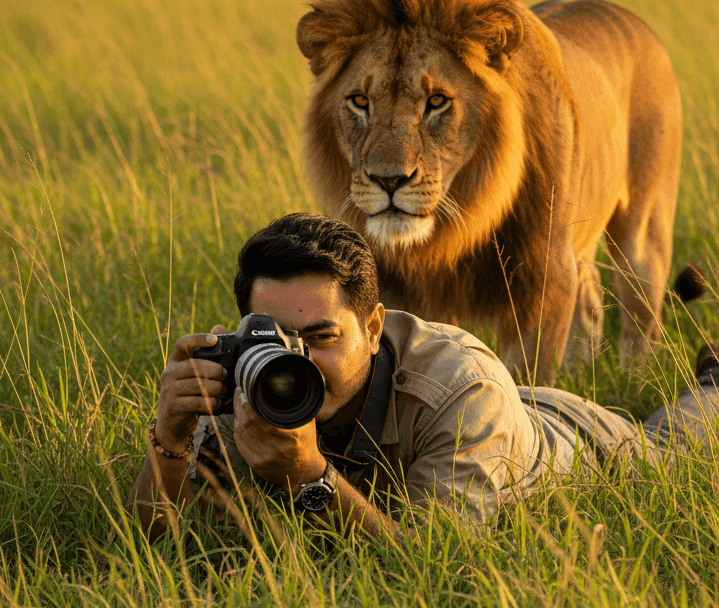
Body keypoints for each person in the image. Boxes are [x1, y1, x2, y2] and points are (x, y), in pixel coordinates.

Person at [128, 213, 719, 542]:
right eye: (278, 337)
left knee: (667, 446)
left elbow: (432, 564)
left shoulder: (463, 387)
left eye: (322, 338)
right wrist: (170, 439)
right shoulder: (250, 377)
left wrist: (309, 476)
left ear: (372, 323)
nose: (296, 362)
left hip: (568, 443)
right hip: (487, 415)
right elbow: (154, 545)